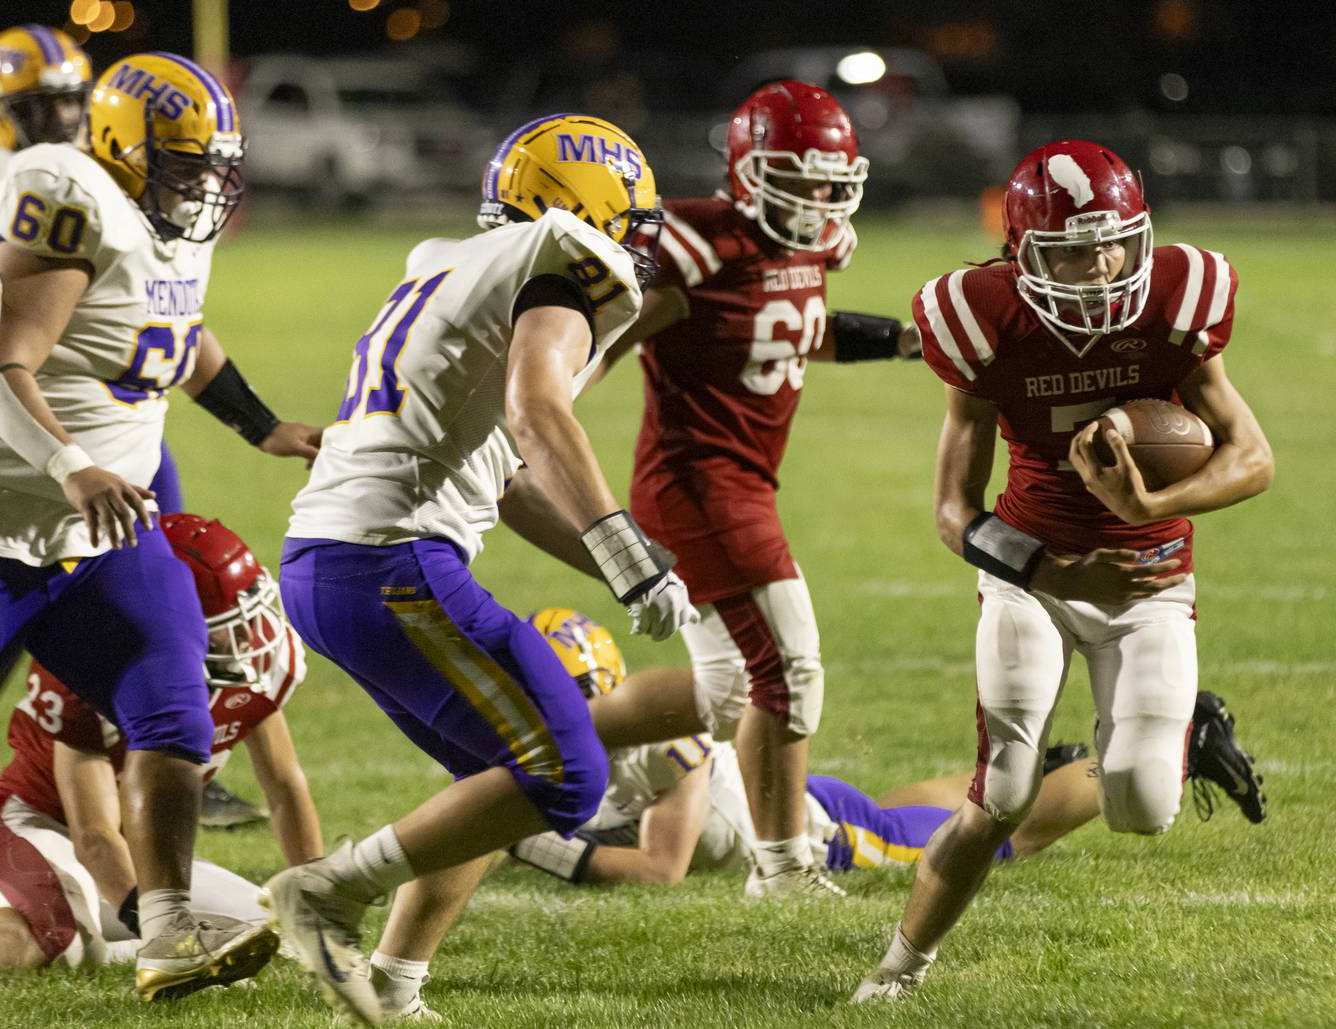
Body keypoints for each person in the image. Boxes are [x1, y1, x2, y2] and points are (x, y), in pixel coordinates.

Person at [0, 52, 322, 1001]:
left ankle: (166, 932)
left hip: (102, 526)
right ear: (126, 149)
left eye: (214, 166)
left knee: (170, 704)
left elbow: (180, 331)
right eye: (184, 164)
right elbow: (1, 366)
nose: (203, 185)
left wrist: (264, 426)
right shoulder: (67, 194)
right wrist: (69, 465)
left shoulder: (164, 221)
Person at [266, 113, 697, 1024]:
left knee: (495, 784)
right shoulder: (560, 267)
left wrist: (631, 564)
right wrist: (627, 552)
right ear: (587, 207)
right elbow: (542, 416)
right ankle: (327, 890)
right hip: (391, 563)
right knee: (569, 773)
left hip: (332, 562)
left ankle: (393, 985)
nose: (636, 238)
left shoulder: (451, 269)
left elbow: (501, 485)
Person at [854, 139, 1274, 1002]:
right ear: (1021, 253)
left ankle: (1181, 734)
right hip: (1032, 574)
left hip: (1150, 576)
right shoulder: (980, 316)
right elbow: (952, 511)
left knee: (1144, 803)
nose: (1104, 264)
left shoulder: (1177, 298)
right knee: (1002, 787)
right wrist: (1060, 571)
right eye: (1075, 248)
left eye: (1118, 241)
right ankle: (900, 970)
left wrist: (1148, 508)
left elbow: (1253, 455)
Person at [0, 29, 259, 828]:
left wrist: (262, 424)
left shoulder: (142, 198)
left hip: (120, 432)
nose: (59, 114)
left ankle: (166, 762)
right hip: (18, 437)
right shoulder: (25, 181)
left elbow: (181, 327)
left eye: (71, 98)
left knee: (166, 626)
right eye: (41, 104)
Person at [586, 81, 917, 898]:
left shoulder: (811, 246)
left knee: (731, 691)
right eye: (798, 178)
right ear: (749, 167)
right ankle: (783, 866)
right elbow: (599, 344)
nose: (816, 197)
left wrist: (905, 341)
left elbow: (798, 329)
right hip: (697, 484)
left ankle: (535, 747)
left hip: (742, 482)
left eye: (828, 180)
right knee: (790, 669)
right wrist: (542, 400)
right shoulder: (701, 244)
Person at [511, 609, 1265, 887]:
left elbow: (659, 868)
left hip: (823, 831)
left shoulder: (658, 744)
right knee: (925, 807)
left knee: (1003, 835)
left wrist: (532, 846)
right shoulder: (595, 732)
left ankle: (1174, 745)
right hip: (804, 802)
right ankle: (1054, 763)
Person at [0, 514, 319, 972]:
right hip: (28, 825)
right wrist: (164, 933)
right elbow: (93, 834)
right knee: (63, 947)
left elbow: (283, 785)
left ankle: (117, 943)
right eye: (226, 625)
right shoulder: (90, 676)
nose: (247, 640)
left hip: (133, 843)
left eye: (250, 613)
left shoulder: (256, 672)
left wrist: (318, 894)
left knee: (274, 925)